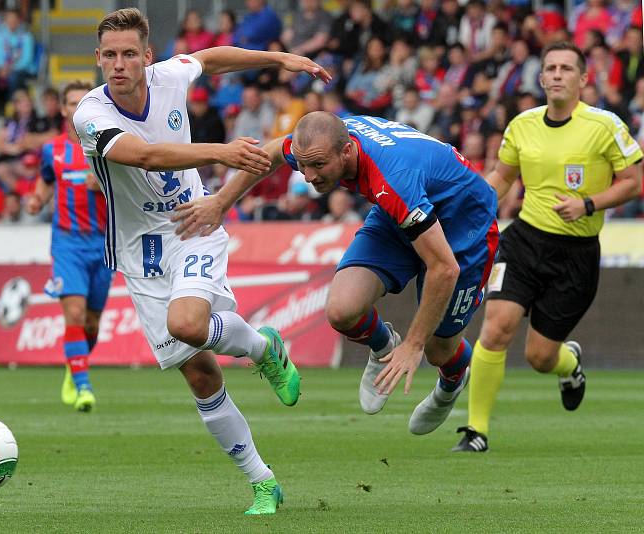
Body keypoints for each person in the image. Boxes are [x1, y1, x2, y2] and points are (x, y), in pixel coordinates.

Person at [72, 8, 330, 515]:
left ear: (148, 57)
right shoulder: (90, 114)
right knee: (201, 377)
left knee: (188, 323)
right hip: (139, 250)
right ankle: (263, 478)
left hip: (195, 223)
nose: (119, 64)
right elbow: (145, 156)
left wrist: (278, 57)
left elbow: (209, 59)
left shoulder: (168, 76)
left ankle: (259, 348)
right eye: (109, 55)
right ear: (98, 60)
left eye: (129, 54)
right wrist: (224, 152)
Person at [173, 111, 499, 439]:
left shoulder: (393, 178)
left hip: (464, 226)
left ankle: (452, 381)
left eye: (317, 166)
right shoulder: (320, 142)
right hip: (402, 213)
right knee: (342, 310)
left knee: (437, 349)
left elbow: (444, 268)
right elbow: (272, 152)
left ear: (346, 152)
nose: (309, 176)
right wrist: (221, 202)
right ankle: (383, 347)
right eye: (302, 165)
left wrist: (414, 345)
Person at [452, 41, 643, 453]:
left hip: (576, 253)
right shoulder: (522, 124)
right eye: (550, 68)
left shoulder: (605, 125)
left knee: (540, 357)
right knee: (496, 327)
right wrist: (466, 206)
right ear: (541, 79)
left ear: (583, 79)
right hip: (524, 240)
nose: (557, 74)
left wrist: (588, 203)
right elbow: (502, 178)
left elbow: (633, 182)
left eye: (566, 68)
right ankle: (476, 431)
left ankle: (568, 364)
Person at [26, 82, 114, 413]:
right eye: (72, 103)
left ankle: (73, 365)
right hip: (67, 243)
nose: (78, 108)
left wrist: (104, 184)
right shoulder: (53, 150)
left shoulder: (108, 147)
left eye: (83, 102)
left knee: (90, 324)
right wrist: (38, 199)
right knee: (74, 314)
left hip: (104, 244)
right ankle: (83, 386)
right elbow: (47, 179)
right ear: (63, 109)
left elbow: (130, 191)